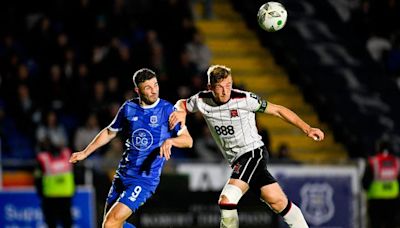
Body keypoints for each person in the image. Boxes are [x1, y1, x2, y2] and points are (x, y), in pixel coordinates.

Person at [169, 65, 324, 228]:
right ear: (210, 88)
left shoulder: (244, 99)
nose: (225, 91)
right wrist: (180, 111)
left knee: (227, 199)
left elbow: (277, 110)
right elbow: (182, 104)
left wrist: (307, 128)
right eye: (220, 87)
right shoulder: (201, 100)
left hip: (253, 153)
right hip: (237, 160)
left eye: (228, 85)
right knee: (278, 201)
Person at [69, 68, 193, 228]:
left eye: (155, 85)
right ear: (137, 90)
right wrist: (85, 152)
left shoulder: (168, 110)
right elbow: (109, 132)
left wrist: (171, 142)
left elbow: (188, 140)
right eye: (148, 87)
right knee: (112, 224)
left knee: (110, 223)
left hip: (144, 179)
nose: (154, 90)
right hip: (123, 175)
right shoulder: (129, 108)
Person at [35, 137, 75, 228]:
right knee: (67, 223)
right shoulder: (67, 155)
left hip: (50, 197)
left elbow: (37, 179)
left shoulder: (43, 159)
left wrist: (40, 193)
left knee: (52, 223)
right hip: (64, 196)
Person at [362, 139, 400, 228]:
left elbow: (365, 182)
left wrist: (367, 190)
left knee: (376, 224)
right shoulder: (397, 162)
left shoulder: (373, 162)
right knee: (392, 224)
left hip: (376, 201)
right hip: (393, 200)